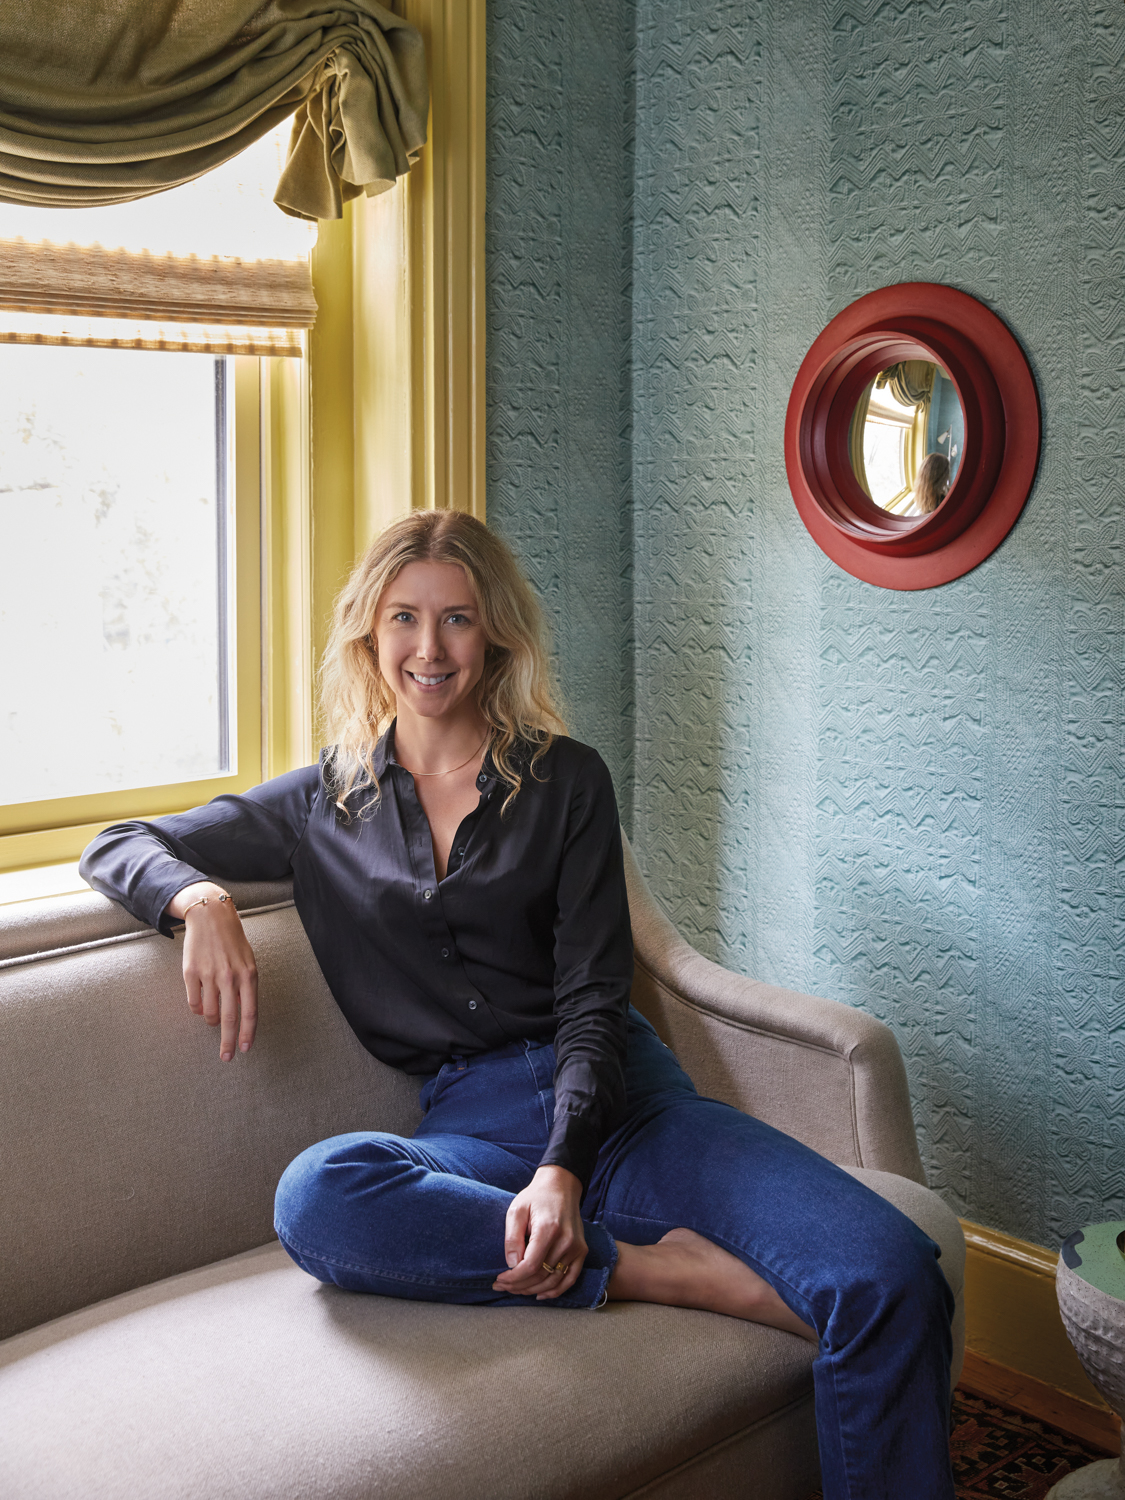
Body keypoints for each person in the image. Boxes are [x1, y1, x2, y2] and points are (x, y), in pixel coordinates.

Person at [80, 510, 955, 1499]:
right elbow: (119, 841)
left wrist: (565, 1171)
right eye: (404, 618)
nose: (428, 647)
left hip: (628, 1107)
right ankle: (653, 1271)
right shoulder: (320, 803)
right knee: (317, 1195)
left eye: (456, 620)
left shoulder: (566, 781)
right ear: (369, 631)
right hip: (476, 1131)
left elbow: (593, 998)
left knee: (892, 1271)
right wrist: (194, 899)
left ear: (493, 632)